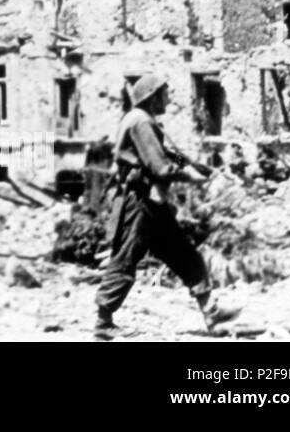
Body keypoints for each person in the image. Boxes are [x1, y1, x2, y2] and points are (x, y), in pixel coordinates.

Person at [94, 73, 241, 340]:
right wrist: (189, 176)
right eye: (164, 93)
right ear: (152, 98)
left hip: (152, 202)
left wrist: (196, 166)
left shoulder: (145, 120)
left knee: (184, 254)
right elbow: (160, 166)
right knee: (125, 258)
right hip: (139, 203)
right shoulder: (140, 121)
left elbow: (166, 154)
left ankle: (210, 311)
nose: (169, 98)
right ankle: (103, 322)